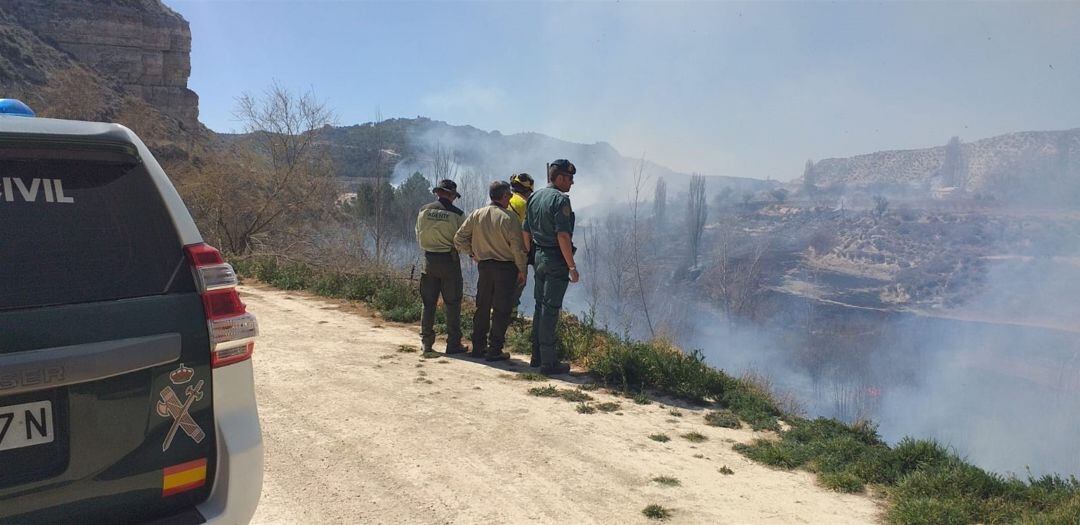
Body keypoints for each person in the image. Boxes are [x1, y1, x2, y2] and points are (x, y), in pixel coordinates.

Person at [454, 180, 527, 362]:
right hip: (506, 269)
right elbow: (517, 248)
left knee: (482, 307)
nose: (510, 197)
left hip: (485, 267)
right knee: (502, 310)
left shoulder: (477, 214)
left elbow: (459, 239)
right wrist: (522, 270)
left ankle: (478, 347)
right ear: (503, 196)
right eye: (509, 195)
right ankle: (495, 350)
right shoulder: (509, 218)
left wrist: (472, 253)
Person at [522, 159, 578, 375]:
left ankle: (536, 356)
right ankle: (548, 362)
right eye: (570, 178)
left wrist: (531, 254)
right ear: (560, 178)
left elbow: (525, 231)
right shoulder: (560, 201)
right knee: (550, 310)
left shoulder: (534, 196)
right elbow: (563, 236)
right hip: (555, 259)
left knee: (539, 307)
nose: (572, 183)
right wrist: (571, 267)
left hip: (538, 257)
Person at [415, 179, 468, 355]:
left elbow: (418, 233)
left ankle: (426, 342)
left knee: (428, 303)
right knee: (452, 304)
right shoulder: (458, 215)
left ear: (438, 192)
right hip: (449, 261)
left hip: (428, 261)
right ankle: (453, 344)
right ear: (452, 195)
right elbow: (463, 239)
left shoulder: (423, 210)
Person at [508, 172, 535, 312]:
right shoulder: (524, 204)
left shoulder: (505, 199)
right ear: (527, 190)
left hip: (498, 250)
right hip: (517, 251)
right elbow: (528, 230)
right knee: (518, 284)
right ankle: (511, 317)